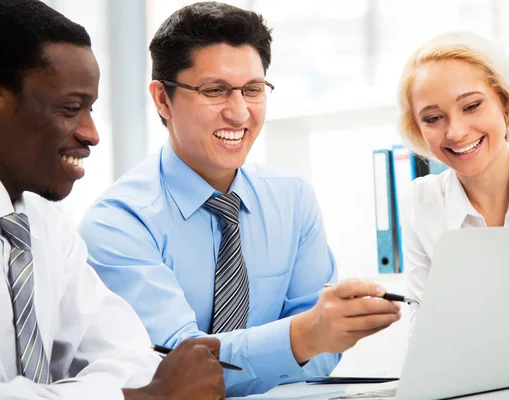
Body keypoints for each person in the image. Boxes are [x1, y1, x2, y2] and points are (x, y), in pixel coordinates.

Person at [78, 2, 401, 396]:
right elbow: (173, 368)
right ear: (163, 100)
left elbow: (322, 354)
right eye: (215, 91)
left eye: (253, 90)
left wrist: (315, 336)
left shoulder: (292, 199)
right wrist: (300, 338)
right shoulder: (118, 223)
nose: (240, 112)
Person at [0, 0, 226, 399]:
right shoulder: (114, 216)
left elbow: (131, 355)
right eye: (71, 109)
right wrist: (138, 398)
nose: (91, 134)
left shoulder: (43, 224)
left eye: (90, 109)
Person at [396, 32, 509, 358]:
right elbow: (427, 344)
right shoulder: (419, 202)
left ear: (504, 101)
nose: (456, 132)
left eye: (472, 106)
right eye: (433, 118)